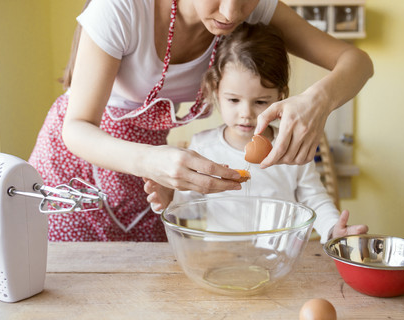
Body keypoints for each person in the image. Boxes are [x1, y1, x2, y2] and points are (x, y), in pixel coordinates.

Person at [29, 0, 373, 241]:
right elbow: (76, 127)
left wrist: (319, 99)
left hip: (154, 168)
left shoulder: (255, 7)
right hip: (78, 167)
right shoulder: (120, 9)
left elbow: (357, 61)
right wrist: (150, 159)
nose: (231, 13)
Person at [146, 22, 368, 243]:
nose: (246, 113)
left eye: (261, 101)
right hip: (222, 262)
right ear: (216, 91)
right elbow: (190, 208)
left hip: (277, 260)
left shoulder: (292, 145)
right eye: (233, 100)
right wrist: (171, 198)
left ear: (281, 96)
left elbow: (314, 199)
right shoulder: (203, 147)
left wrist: (332, 229)